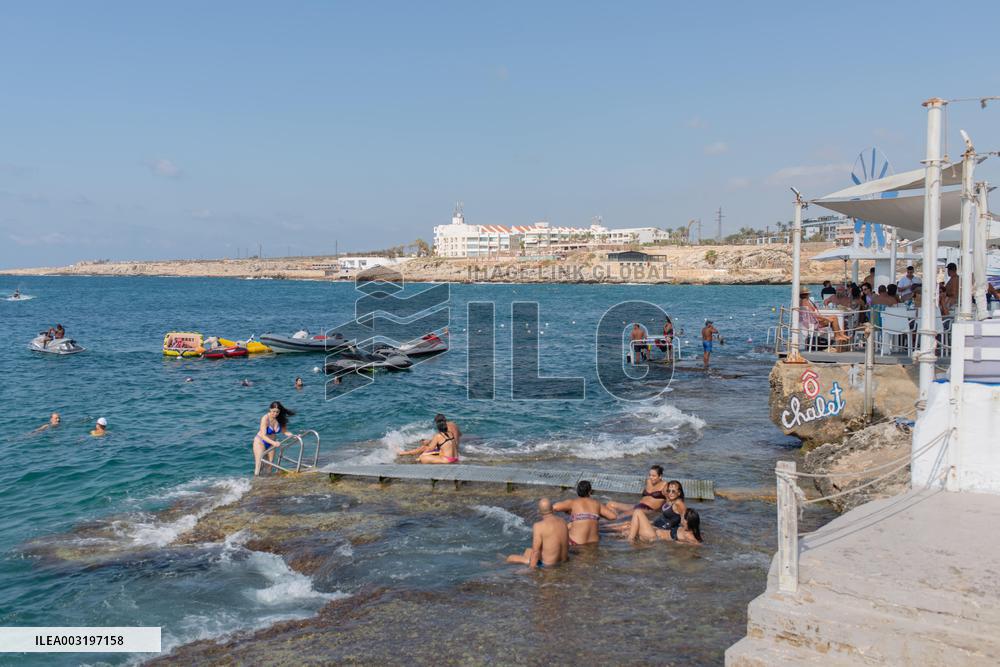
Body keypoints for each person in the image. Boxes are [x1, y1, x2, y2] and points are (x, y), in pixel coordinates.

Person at [505, 498, 570, 568]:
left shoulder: (538, 526)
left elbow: (536, 552)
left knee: (510, 558)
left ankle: (501, 562)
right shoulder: (563, 521)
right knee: (528, 551)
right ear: (552, 508)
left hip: (547, 566)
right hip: (563, 561)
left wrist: (530, 569)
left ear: (539, 511)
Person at [553, 480, 617, 546]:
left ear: (577, 492)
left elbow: (555, 507)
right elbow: (613, 516)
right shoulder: (597, 504)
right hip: (593, 543)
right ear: (590, 492)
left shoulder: (573, 503)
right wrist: (598, 514)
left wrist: (567, 511)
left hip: (575, 542)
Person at [252, 401, 296, 476]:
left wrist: (293, 436)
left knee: (270, 465)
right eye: (273, 411)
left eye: (277, 412)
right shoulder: (265, 418)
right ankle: (256, 482)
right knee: (259, 465)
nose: (275, 414)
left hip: (272, 443)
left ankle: (267, 481)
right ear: (270, 409)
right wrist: (274, 443)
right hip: (260, 442)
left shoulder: (280, 419)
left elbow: (285, 432)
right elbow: (263, 435)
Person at [628, 507, 703, 545]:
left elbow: (698, 545)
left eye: (683, 516)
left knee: (638, 512)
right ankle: (630, 539)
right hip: (655, 532)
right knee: (628, 529)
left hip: (654, 537)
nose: (681, 517)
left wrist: (682, 543)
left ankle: (630, 541)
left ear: (687, 521)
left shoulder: (689, 536)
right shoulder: (686, 529)